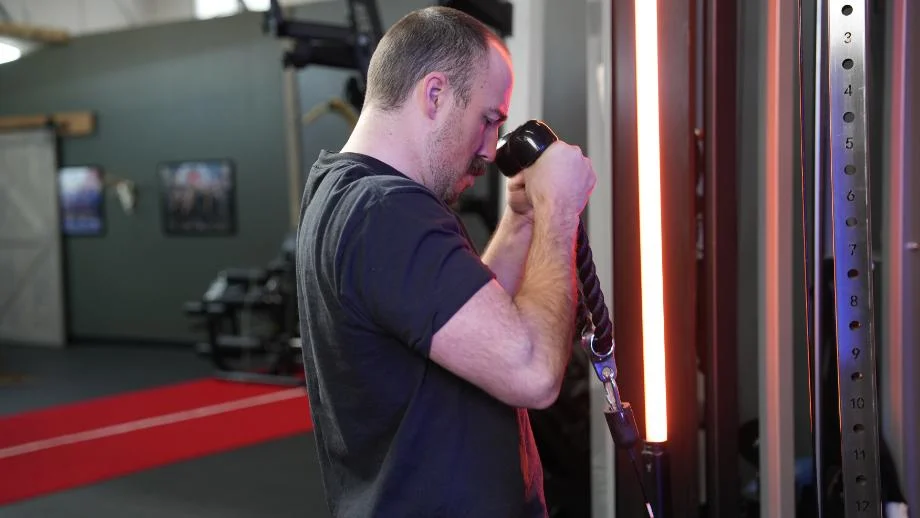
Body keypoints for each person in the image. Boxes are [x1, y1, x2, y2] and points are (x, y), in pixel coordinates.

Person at [294, 6, 597, 517]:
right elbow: (533, 373)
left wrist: (524, 219)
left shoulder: (342, 193)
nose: (488, 149)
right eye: (488, 120)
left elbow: (469, 323)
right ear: (435, 95)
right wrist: (559, 211)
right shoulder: (386, 210)